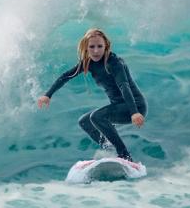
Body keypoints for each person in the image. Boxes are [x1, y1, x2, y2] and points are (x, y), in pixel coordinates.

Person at [37, 28, 147, 161]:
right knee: (84, 121)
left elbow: (124, 86)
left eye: (100, 46)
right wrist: (48, 95)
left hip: (134, 106)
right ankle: (110, 149)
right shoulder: (88, 63)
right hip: (118, 106)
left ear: (106, 45)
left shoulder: (114, 62)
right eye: (92, 47)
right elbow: (65, 76)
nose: (96, 51)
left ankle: (125, 155)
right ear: (86, 47)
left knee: (96, 117)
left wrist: (134, 112)